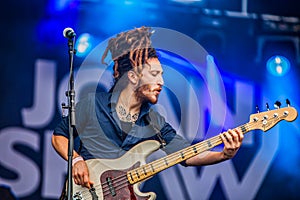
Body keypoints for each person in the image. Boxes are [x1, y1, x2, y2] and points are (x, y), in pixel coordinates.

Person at [52, 26, 244, 199]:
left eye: (161, 75)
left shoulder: (155, 122)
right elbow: (59, 137)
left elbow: (187, 156)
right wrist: (76, 159)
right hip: (84, 193)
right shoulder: (93, 104)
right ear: (134, 77)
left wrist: (224, 154)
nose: (161, 82)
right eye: (154, 75)